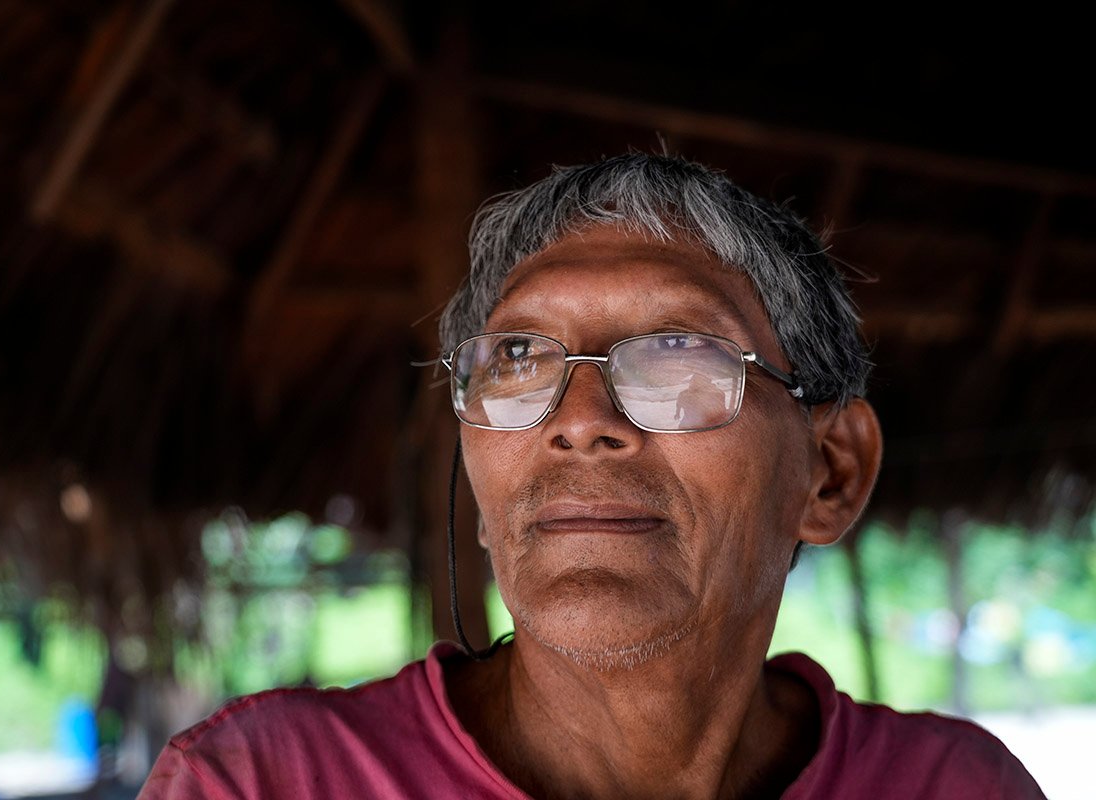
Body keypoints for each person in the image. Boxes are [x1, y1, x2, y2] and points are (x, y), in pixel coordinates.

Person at [137, 154, 1044, 798]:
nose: (578, 422)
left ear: (831, 474)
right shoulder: (266, 783)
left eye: (680, 351)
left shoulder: (954, 787)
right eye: (522, 355)